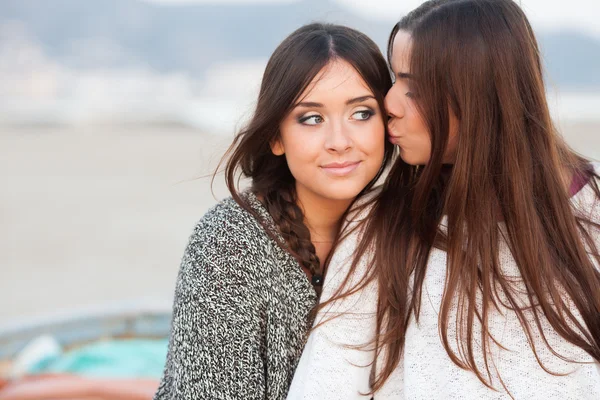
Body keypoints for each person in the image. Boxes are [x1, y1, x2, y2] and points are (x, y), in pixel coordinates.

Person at [289, 1, 600, 399]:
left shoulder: (590, 203)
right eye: (394, 79)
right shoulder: (380, 223)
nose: (389, 103)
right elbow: (325, 385)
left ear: (479, 97)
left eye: (413, 88)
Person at [153, 23, 394, 399]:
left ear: (388, 123)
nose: (339, 142)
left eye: (361, 113)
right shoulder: (229, 243)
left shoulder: (400, 229)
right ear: (276, 137)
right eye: (312, 118)